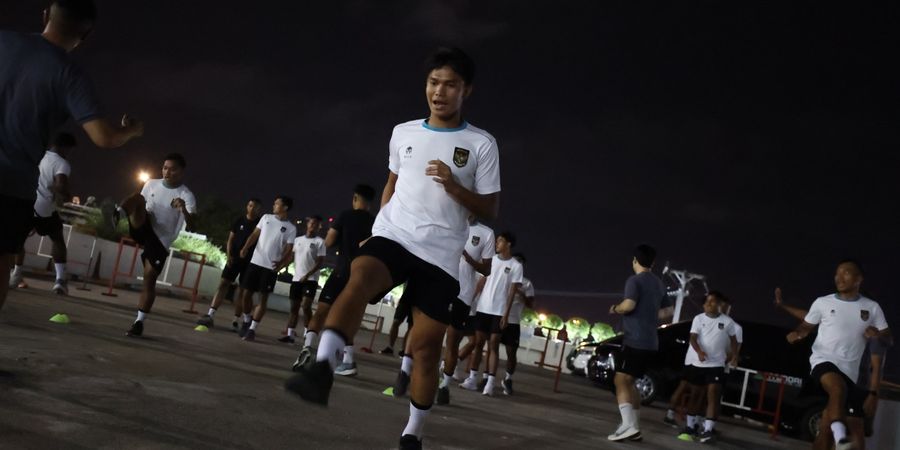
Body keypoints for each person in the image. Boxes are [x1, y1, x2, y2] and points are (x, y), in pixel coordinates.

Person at [285, 47, 501, 450]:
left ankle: (413, 432)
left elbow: (490, 207)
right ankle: (323, 368)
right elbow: (392, 181)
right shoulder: (403, 132)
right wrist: (380, 224)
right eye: (434, 83)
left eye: (450, 84)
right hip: (396, 235)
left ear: (465, 91)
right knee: (358, 277)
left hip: (440, 256)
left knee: (424, 348)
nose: (439, 92)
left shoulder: (481, 144)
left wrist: (455, 187)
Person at [0, 0, 144, 313]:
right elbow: (104, 137)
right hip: (10, 187)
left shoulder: (4, 41)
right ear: (86, 35)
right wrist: (132, 131)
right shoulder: (69, 74)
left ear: (44, 16)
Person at [785, 260, 891, 450]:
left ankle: (834, 434)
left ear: (859, 279)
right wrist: (799, 333)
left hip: (852, 372)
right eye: (837, 273)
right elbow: (807, 325)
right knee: (837, 389)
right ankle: (841, 438)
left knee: (826, 427)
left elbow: (888, 339)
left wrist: (878, 335)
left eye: (846, 273)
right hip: (823, 360)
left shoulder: (872, 307)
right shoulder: (822, 302)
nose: (839, 277)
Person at [292, 184, 376, 375]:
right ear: (371, 202)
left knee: (321, 311)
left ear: (355, 198)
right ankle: (348, 360)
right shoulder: (375, 222)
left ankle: (308, 347)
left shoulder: (345, 216)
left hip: (340, 272)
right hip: (360, 277)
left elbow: (329, 242)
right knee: (349, 318)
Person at [121, 153, 195, 337]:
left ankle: (139, 322)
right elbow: (142, 205)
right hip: (144, 225)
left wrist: (183, 209)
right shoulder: (151, 183)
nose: (167, 172)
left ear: (181, 171)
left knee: (149, 278)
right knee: (137, 197)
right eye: (164, 167)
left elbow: (193, 226)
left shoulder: (186, 195)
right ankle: (118, 212)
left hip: (160, 239)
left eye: (172, 168)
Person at [606, 244, 672, 441]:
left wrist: (615, 308)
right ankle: (633, 427)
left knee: (620, 379)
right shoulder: (659, 284)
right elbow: (668, 312)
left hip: (635, 339)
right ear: (653, 262)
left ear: (634, 260)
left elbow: (629, 305)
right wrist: (650, 314)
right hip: (651, 341)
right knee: (631, 382)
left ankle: (628, 425)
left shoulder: (634, 281)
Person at [434, 218, 494, 404]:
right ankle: (414, 376)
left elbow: (486, 269)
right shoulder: (449, 219)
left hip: (463, 294)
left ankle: (444, 385)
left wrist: (468, 259)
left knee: (452, 342)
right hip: (442, 286)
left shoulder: (486, 233)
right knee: (430, 335)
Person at [9, 133, 77, 294]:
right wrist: (66, 195)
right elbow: (61, 185)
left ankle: (16, 274)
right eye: (70, 149)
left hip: (26, 202)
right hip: (44, 207)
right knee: (57, 239)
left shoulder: (38, 155)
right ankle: (60, 280)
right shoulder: (62, 163)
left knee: (19, 240)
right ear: (65, 147)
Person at [462, 232, 522, 397]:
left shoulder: (516, 266)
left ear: (508, 244)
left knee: (493, 345)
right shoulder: (491, 260)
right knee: (479, 343)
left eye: (500, 241)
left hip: (499, 311)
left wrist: (506, 314)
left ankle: (489, 383)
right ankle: (473, 379)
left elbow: (512, 292)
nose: (497, 244)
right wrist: (471, 300)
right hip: (483, 308)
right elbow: (481, 281)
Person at [675, 291, 738, 443]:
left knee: (713, 394)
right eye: (707, 302)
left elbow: (734, 341)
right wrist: (699, 351)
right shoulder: (698, 319)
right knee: (696, 395)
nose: (709, 304)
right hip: (699, 363)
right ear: (703, 305)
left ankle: (708, 430)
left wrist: (734, 356)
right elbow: (693, 338)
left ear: (719, 305)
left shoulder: (728, 322)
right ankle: (690, 427)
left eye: (713, 301)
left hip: (716, 365)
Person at [195, 198, 262, 331]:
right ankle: (210, 315)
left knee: (243, 291)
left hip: (250, 262)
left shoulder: (260, 224)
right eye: (249, 205)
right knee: (223, 284)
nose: (251, 208)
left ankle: (236, 320)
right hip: (235, 258)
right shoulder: (239, 220)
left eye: (255, 207)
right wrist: (229, 255)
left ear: (259, 209)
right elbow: (231, 239)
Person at [236, 196, 296, 341]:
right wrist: (245, 247)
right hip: (255, 262)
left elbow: (289, 249)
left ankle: (252, 329)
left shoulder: (291, 228)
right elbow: (255, 235)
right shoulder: (266, 218)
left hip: (270, 268)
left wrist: (281, 264)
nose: (274, 205)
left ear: (285, 207)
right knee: (246, 295)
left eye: (277, 204)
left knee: (263, 299)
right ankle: (246, 320)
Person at [279, 215, 326, 344]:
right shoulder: (298, 240)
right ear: (307, 224)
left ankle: (307, 333)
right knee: (294, 307)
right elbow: (291, 257)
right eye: (311, 223)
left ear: (318, 227)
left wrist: (308, 274)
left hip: (310, 280)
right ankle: (290, 335)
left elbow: (320, 262)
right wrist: (281, 267)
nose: (312, 226)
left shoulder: (319, 242)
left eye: (315, 224)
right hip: (296, 279)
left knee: (306, 306)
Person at [500, 253, 534, 396]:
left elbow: (531, 305)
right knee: (491, 348)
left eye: (520, 262)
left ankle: (508, 379)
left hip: (513, 321)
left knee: (511, 352)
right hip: (497, 317)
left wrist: (521, 294)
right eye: (516, 261)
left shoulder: (526, 283)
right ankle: (486, 378)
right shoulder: (502, 277)